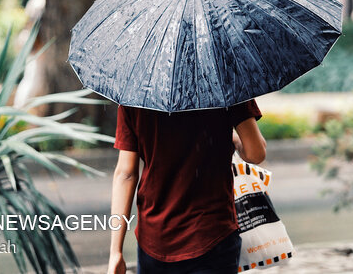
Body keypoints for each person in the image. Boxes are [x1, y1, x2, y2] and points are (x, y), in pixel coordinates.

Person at [107, 100, 266, 274]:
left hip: (154, 238)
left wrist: (116, 252)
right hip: (212, 236)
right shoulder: (225, 83)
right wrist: (233, 138)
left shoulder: (136, 96)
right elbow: (255, 153)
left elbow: (126, 174)